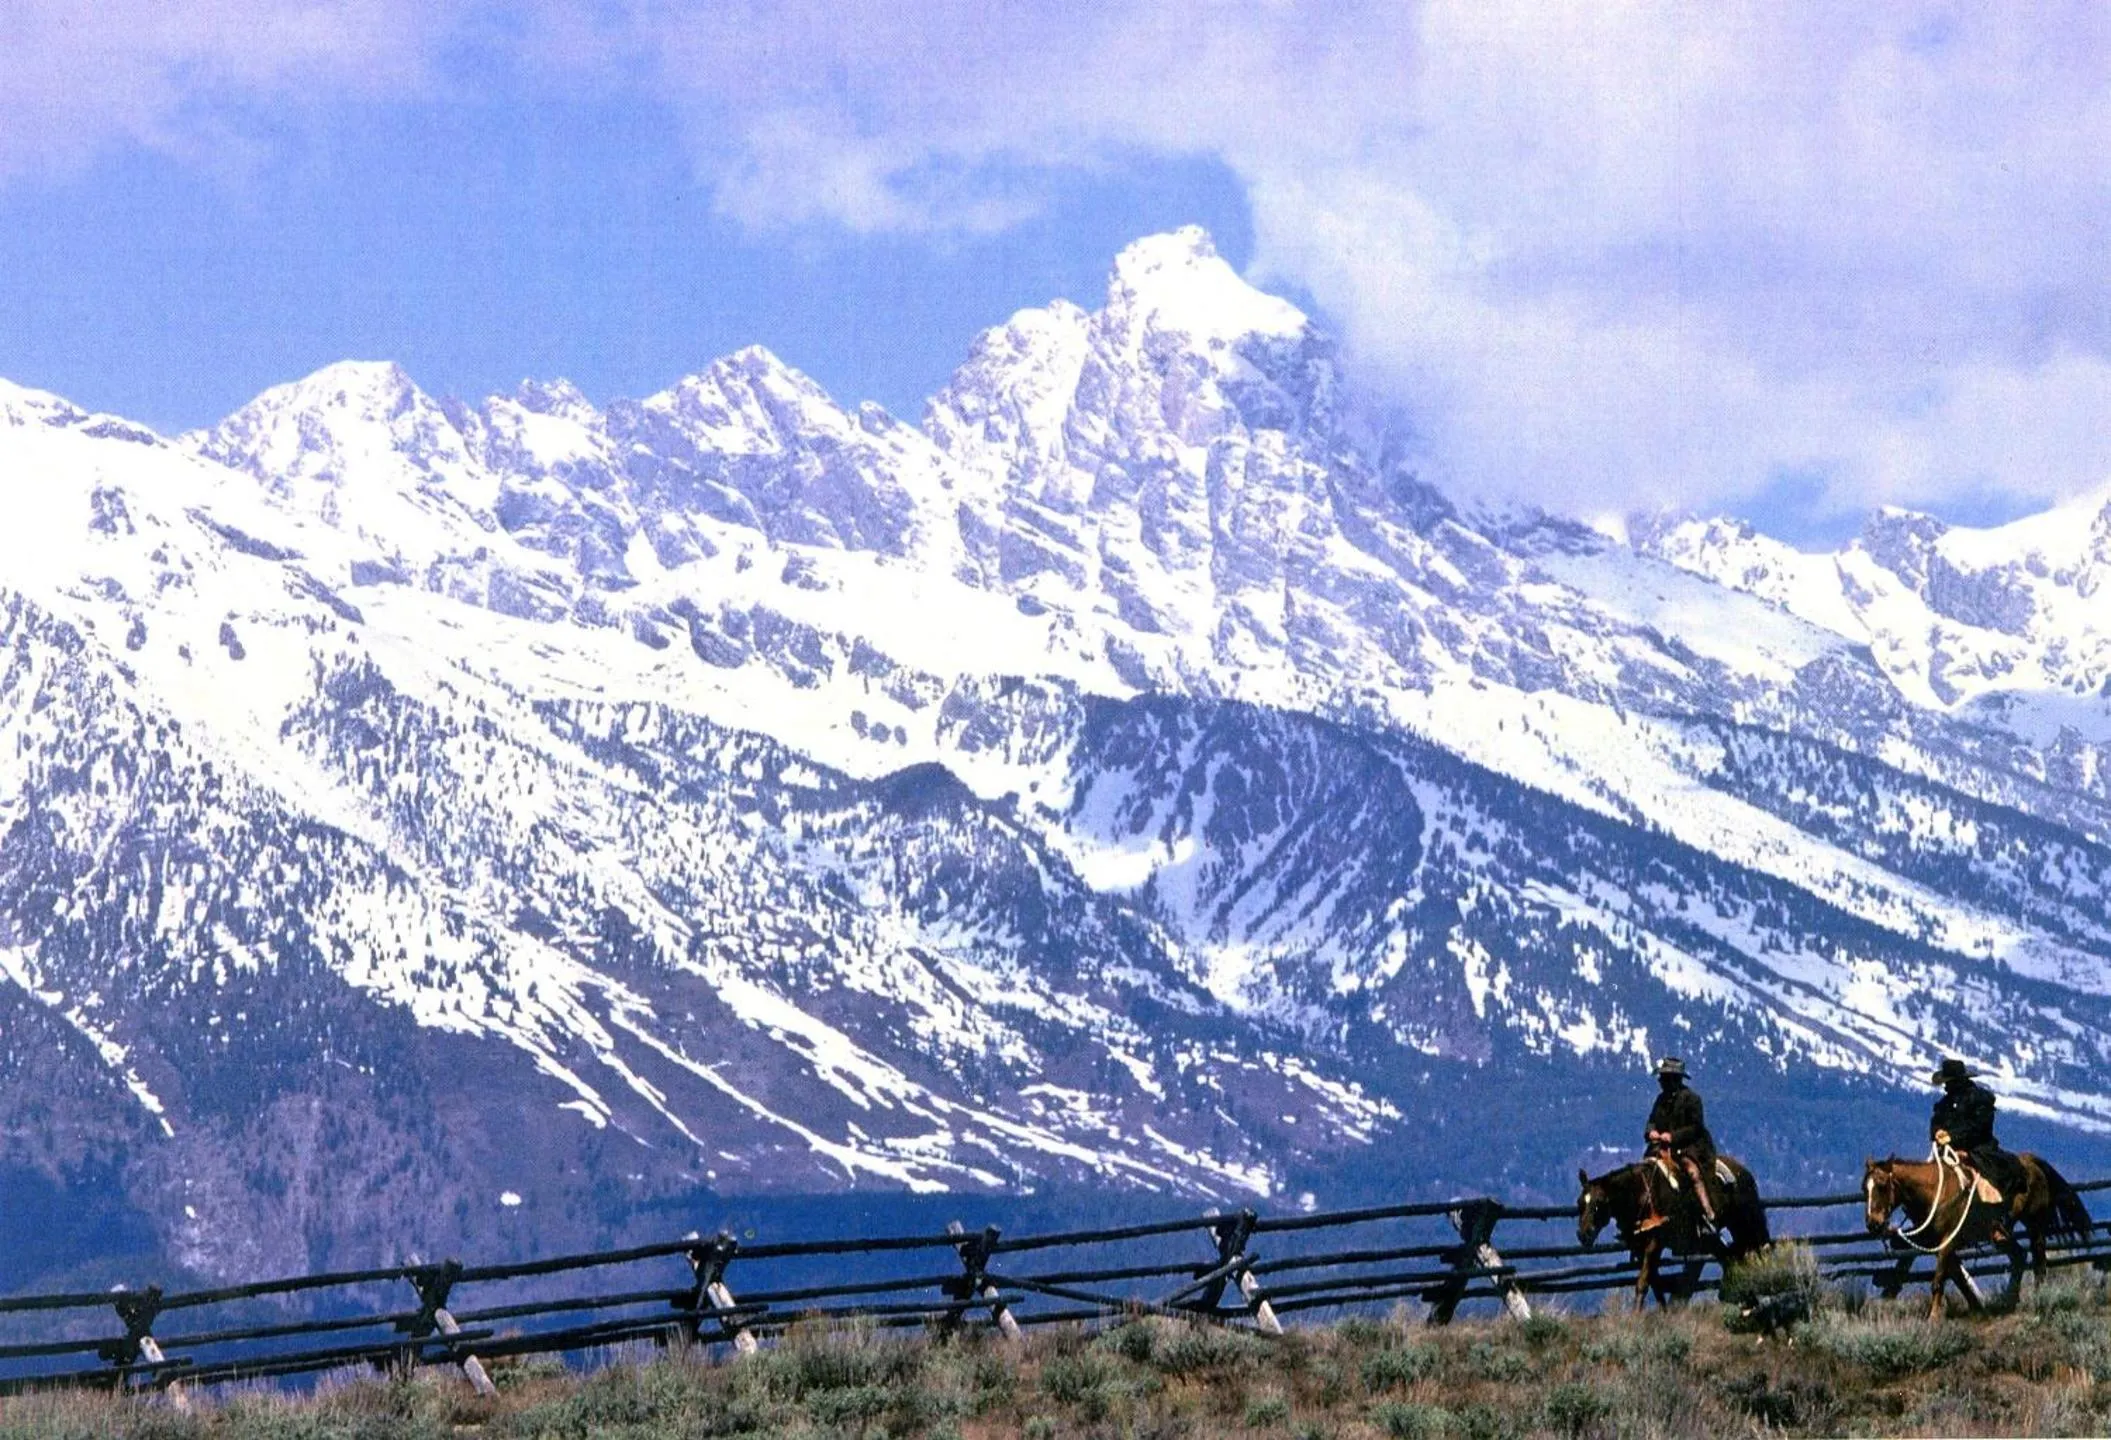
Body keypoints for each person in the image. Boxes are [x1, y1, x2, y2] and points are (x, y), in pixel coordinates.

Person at [1929, 1058, 2025, 1202]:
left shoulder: (1979, 1100)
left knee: (1991, 1177)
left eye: (1950, 1082)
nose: (1947, 1086)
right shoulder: (1944, 1104)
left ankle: (1995, 1209)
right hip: (1948, 1151)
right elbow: (1936, 1122)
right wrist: (1937, 1132)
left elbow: (1978, 1127)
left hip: (1979, 1149)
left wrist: (1952, 1136)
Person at [1644, 1057, 1720, 1227]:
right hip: (1661, 1148)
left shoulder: (1692, 1099)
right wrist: (1651, 1132)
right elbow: (1651, 1121)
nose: (1661, 1082)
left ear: (1675, 1079)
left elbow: (1695, 1127)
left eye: (1665, 1078)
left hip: (1690, 1147)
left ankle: (1707, 1211)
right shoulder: (1660, 1100)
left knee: (1692, 1172)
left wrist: (1673, 1137)